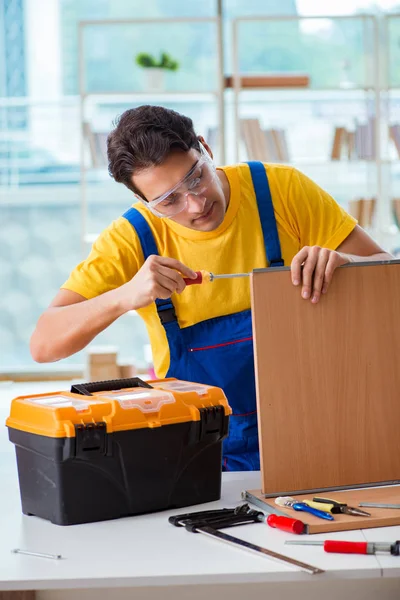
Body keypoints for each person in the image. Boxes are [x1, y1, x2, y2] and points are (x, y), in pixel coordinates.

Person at [30, 105, 391, 471]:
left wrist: (350, 266)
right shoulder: (131, 240)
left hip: (316, 433)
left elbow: (386, 275)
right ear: (144, 203)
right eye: (169, 200)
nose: (196, 203)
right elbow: (44, 344)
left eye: (195, 177)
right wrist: (125, 296)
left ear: (206, 149)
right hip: (201, 452)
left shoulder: (282, 190)